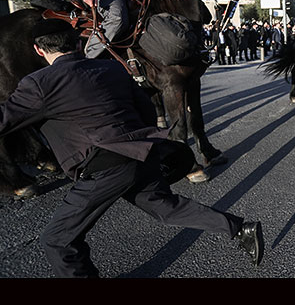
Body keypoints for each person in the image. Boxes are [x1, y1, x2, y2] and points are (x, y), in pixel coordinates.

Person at [0, 19, 264, 277]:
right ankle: (241, 229)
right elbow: (147, 109)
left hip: (103, 166)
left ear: (38, 49)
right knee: (167, 208)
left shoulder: (38, 83)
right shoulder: (112, 69)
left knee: (57, 240)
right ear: (79, 44)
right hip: (140, 154)